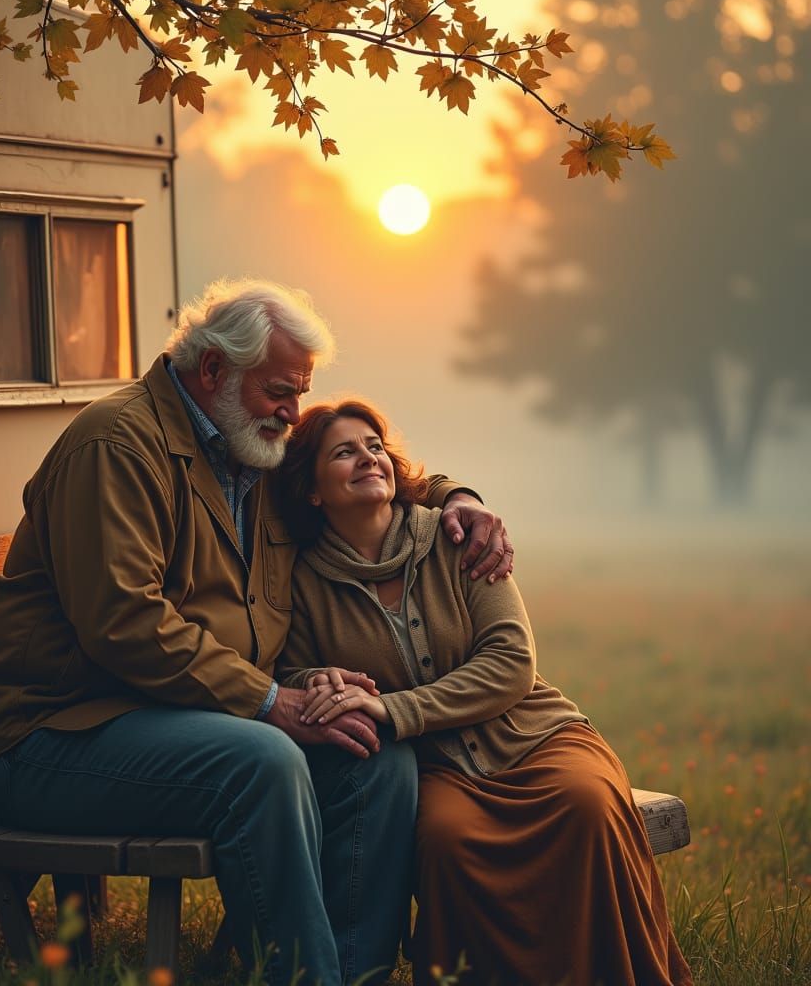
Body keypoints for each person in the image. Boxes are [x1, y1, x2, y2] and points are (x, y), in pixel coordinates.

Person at [0, 279, 514, 986]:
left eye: (300, 391)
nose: (294, 411)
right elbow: (124, 624)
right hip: (54, 735)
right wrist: (272, 702)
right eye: (280, 391)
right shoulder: (117, 445)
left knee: (374, 756)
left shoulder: (255, 446)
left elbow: (363, 466)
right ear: (214, 370)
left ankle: (357, 973)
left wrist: (458, 497)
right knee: (262, 761)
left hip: (180, 714)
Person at [275, 399, 693, 986]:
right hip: (438, 765)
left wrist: (394, 708)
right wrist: (314, 682)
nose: (368, 458)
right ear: (313, 490)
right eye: (344, 452)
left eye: (374, 446)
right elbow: (290, 671)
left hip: (533, 734)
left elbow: (512, 661)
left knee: (589, 807)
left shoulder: (456, 538)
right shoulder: (301, 578)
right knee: (448, 843)